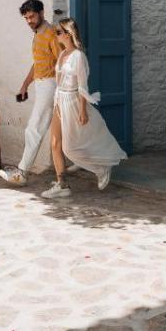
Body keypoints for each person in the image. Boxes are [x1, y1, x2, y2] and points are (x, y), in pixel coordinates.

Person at [41, 17, 128, 200]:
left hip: (73, 101)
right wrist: (56, 102)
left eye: (59, 32)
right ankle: (62, 185)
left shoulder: (78, 56)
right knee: (55, 144)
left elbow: (82, 86)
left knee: (70, 147)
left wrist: (82, 110)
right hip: (60, 100)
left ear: (68, 34)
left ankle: (101, 168)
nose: (56, 35)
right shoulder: (62, 54)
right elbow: (59, 81)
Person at [0, 0, 62, 187]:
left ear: (41, 13)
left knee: (34, 128)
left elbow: (62, 62)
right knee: (73, 130)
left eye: (32, 16)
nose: (29, 21)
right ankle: (101, 165)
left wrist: (64, 91)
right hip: (41, 86)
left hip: (51, 85)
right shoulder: (38, 35)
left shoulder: (51, 34)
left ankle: (22, 173)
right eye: (26, 18)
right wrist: (25, 85)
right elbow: (38, 63)